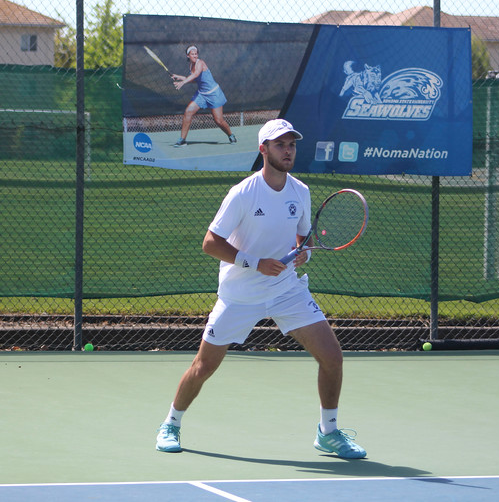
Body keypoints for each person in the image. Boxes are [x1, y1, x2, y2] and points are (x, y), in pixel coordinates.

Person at [155, 119, 366, 459]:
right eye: (280, 144)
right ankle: (171, 423)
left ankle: (328, 432)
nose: (288, 150)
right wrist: (256, 263)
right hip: (241, 295)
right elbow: (210, 243)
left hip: (287, 291)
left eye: (292, 144)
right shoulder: (243, 193)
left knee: (332, 357)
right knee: (204, 366)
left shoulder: (301, 191)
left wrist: (304, 254)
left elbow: (303, 238)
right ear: (263, 149)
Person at [170, 45, 237, 146]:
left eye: (196, 53)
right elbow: (194, 80)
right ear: (188, 55)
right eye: (192, 54)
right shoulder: (190, 66)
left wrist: (183, 83)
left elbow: (196, 74)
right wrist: (179, 77)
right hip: (201, 95)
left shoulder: (200, 63)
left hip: (214, 94)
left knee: (218, 120)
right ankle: (182, 140)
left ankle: (231, 135)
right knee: (188, 112)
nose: (195, 55)